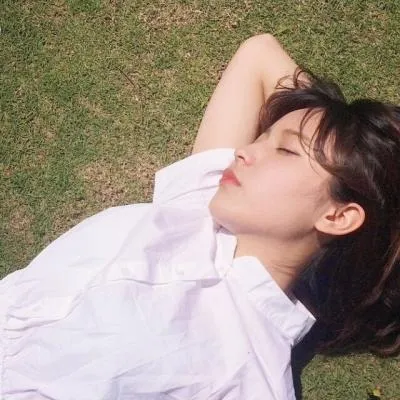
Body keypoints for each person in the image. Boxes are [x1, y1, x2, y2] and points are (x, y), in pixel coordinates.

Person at [0, 33, 399, 400]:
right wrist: (354, 132)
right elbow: (258, 54)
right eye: (263, 137)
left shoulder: (248, 380)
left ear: (338, 217)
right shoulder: (199, 206)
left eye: (286, 151)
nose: (244, 151)